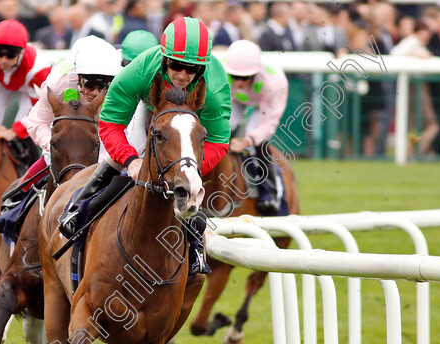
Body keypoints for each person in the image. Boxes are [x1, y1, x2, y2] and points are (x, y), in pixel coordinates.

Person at [58, 17, 231, 238]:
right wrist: (130, 160)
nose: (182, 75)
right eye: (176, 65)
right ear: (164, 58)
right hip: (150, 108)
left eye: (192, 70)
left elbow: (219, 142)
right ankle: (79, 210)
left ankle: (196, 244)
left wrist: (188, 171)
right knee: (127, 155)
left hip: (190, 120)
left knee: (187, 176)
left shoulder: (214, 90)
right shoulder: (141, 70)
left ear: (202, 68)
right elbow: (111, 123)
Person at [0, 35, 120, 219]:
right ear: (78, 77)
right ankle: (16, 201)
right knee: (51, 156)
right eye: (90, 83)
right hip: (70, 130)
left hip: (106, 132)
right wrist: (56, 146)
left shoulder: (121, 85)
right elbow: (37, 122)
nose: (95, 92)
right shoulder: (59, 83)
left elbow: (124, 134)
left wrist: (100, 163)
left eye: (104, 85)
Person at [222, 39, 287, 216]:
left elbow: (268, 124)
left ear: (255, 73)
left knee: (255, 141)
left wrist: (247, 140)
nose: (239, 82)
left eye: (244, 78)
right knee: (222, 128)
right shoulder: (220, 73)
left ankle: (271, 194)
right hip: (234, 99)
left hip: (262, 102)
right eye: (234, 77)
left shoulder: (273, 83)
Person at [0, 19, 51, 163]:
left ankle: (27, 163)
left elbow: (44, 108)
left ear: (21, 52)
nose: (3, 60)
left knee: (27, 128)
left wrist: (14, 131)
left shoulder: (39, 68)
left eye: (9, 55)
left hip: (28, 89)